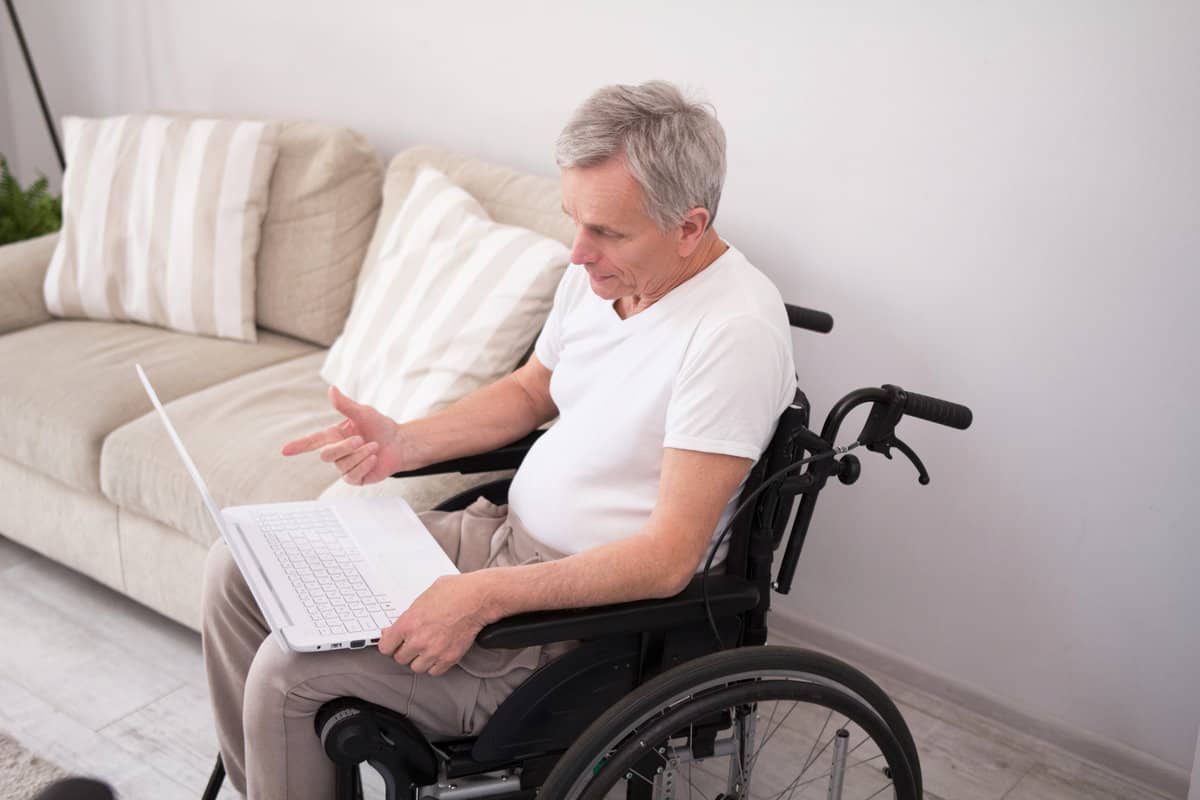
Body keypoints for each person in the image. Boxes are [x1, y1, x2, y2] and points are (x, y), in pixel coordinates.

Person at [201, 80, 797, 799]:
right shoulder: (603, 276)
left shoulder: (734, 333)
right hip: (498, 545)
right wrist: (402, 443)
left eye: (606, 231)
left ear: (689, 227)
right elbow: (527, 392)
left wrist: (484, 598)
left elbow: (668, 559)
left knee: (288, 674)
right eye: (573, 220)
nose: (578, 252)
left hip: (576, 627)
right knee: (236, 569)